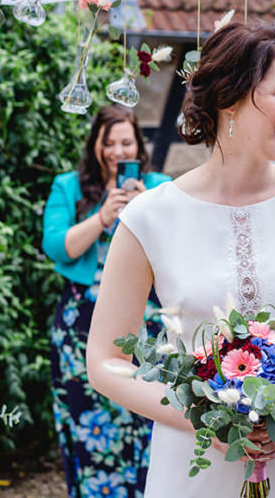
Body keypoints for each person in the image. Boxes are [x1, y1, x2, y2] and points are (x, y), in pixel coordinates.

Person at [85, 23, 275, 497]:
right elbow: (105, 361)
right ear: (229, 97)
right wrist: (204, 414)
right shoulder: (149, 217)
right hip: (194, 457)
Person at [42, 104, 172, 498]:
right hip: (82, 322)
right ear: (95, 144)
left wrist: (148, 207)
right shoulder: (69, 186)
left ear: (139, 146)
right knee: (86, 419)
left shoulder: (160, 186)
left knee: (149, 419)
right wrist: (102, 217)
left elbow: (178, 251)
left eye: (126, 142)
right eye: (110, 142)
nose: (118, 151)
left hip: (149, 326)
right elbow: (56, 247)